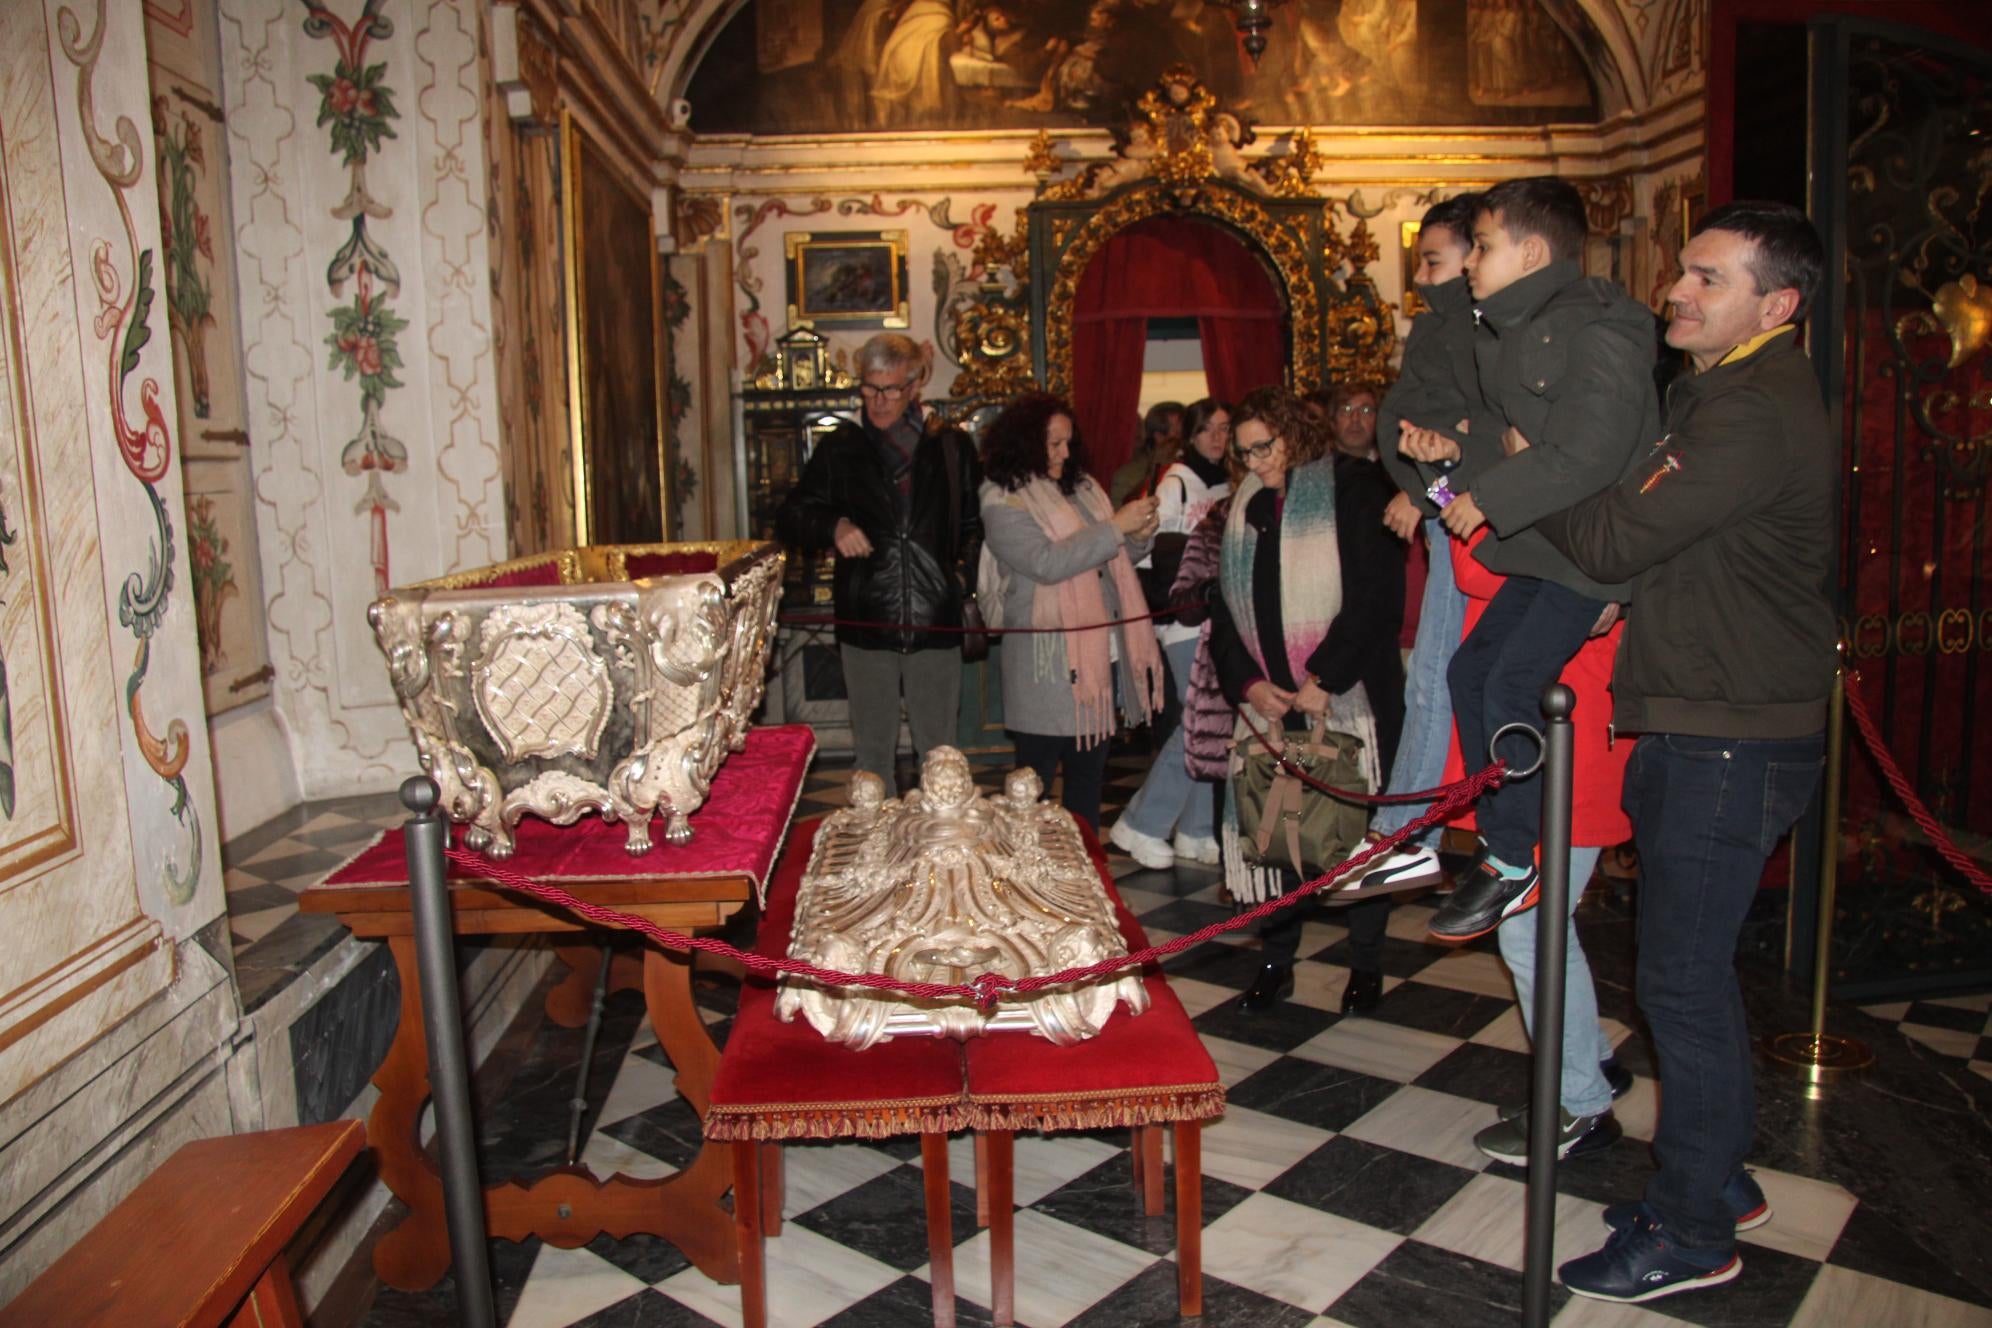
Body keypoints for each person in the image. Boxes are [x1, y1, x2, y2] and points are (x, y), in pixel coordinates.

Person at [1542, 201, 1832, 1304]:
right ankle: (1721, 1176)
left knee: (1680, 980)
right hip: (1710, 718)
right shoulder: (1723, 393)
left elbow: (1617, 530)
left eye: (1708, 278)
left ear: (1778, 303)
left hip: (1727, 736)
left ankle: (1696, 1224)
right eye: (1683, 271)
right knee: (1690, 977)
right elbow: (1665, 540)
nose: (1678, 289)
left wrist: (1531, 469)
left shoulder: (1750, 411)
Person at [1401, 177, 1658, 941]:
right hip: (1550, 550)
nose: (1473, 262)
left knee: (1513, 679)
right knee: (1470, 672)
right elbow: (1510, 431)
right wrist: (1454, 456)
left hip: (1593, 551)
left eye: (1483, 246)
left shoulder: (1594, 329)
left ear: (1534, 251)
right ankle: (1501, 843)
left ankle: (1513, 857)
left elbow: (1589, 451)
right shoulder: (1519, 328)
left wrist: (1495, 491)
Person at [1207, 388, 1395, 1014]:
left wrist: (1325, 678)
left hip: (1343, 698)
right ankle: (1275, 961)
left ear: (1295, 432)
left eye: (1266, 446)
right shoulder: (1243, 506)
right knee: (1275, 834)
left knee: (1353, 835)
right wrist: (1248, 686)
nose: (1256, 461)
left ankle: (1365, 966)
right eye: (1245, 452)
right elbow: (1224, 613)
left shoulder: (1354, 487)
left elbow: (1375, 596)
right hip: (1268, 704)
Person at [776, 333, 980, 797]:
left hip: (935, 619)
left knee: (940, 757)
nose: (878, 401)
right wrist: (834, 526)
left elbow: (971, 524)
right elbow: (791, 515)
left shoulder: (950, 446)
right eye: (869, 389)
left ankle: (940, 861)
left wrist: (959, 577)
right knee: (871, 760)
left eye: (889, 389)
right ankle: (876, 858)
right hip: (866, 617)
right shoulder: (840, 447)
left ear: (913, 386)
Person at [1350, 193, 1482, 894]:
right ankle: (1406, 828)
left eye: (1435, 260)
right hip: (1443, 513)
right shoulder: (1445, 329)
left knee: (1435, 680)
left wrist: (1423, 493)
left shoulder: (1482, 332)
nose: (1424, 278)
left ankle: (1407, 832)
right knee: (1433, 679)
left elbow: (1479, 450)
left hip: (1462, 517)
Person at [980, 393, 1166, 831]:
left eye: (1068, 442)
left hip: (1096, 658)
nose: (1065, 453)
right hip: (1044, 661)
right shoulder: (1003, 499)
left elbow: (1111, 558)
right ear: (1024, 444)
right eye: (1053, 444)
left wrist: (1139, 534)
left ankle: (1087, 869)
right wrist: (1115, 528)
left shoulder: (1083, 487)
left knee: (1089, 779)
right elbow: (1047, 563)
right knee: (1034, 785)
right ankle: (1028, 875)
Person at [1111, 399, 1232, 868]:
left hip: (1216, 615)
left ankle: (1197, 827)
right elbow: (1150, 554)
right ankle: (1142, 822)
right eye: (1208, 430)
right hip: (1183, 617)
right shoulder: (1178, 482)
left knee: (1212, 724)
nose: (1217, 439)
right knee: (1195, 722)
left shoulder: (1229, 483)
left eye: (1225, 428)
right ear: (1192, 435)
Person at [1110, 401, 1186, 505]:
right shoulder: (1127, 478)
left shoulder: (1190, 467)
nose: (1185, 440)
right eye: (1178, 433)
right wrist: (1157, 471)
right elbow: (1121, 517)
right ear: (1159, 437)